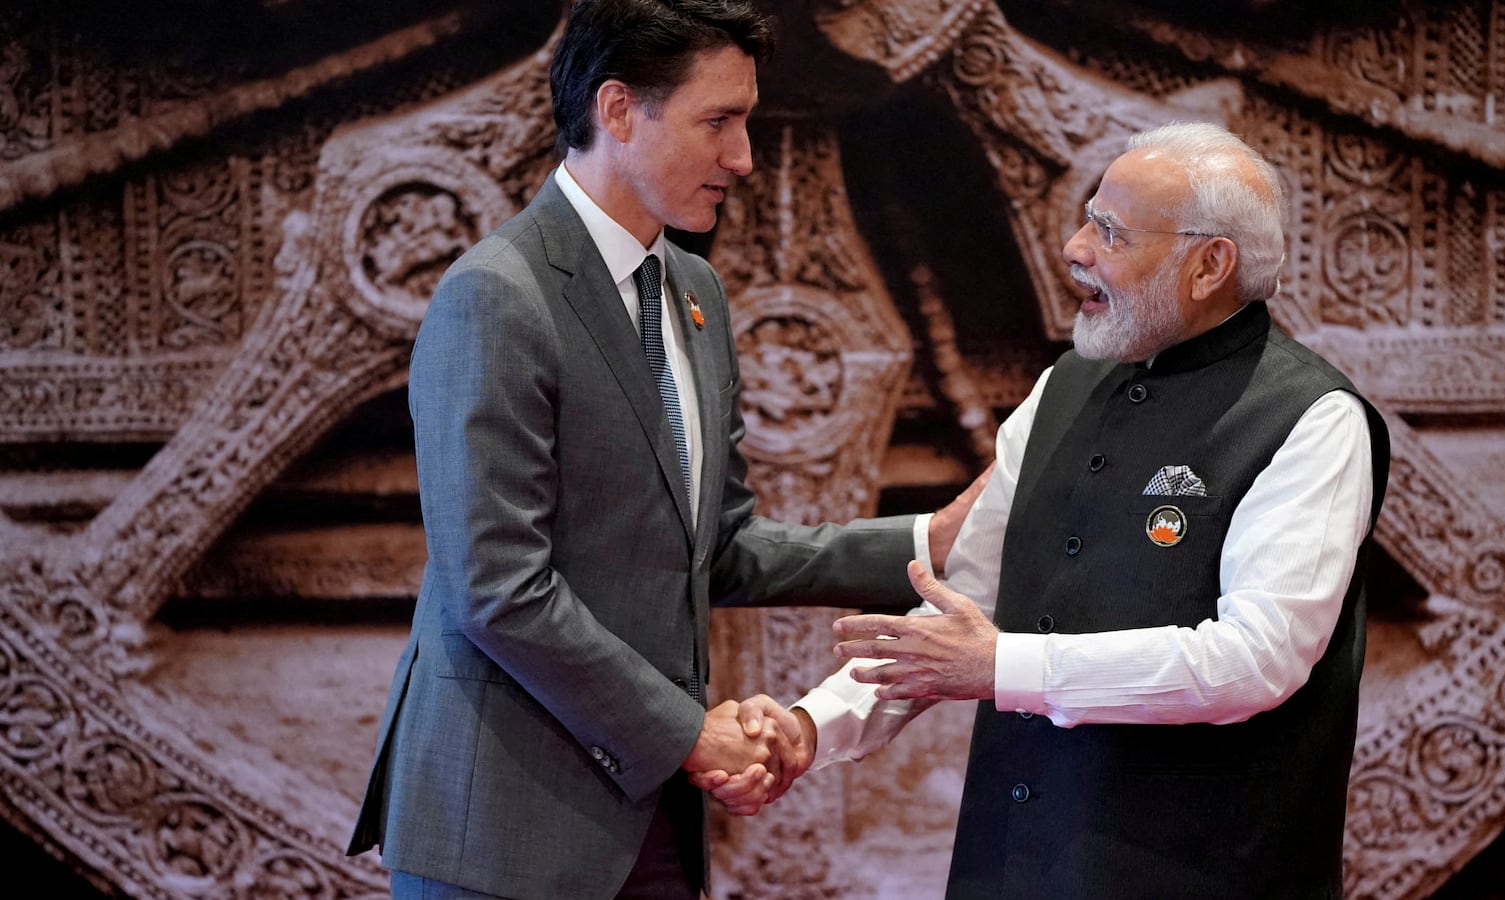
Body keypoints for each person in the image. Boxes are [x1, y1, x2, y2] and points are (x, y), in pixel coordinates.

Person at [344, 2, 976, 897]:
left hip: (654, 823)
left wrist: (925, 544)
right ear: (616, 110)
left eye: (745, 121)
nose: (743, 157)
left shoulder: (695, 291)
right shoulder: (496, 295)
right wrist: (689, 733)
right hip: (504, 834)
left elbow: (716, 543)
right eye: (717, 121)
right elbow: (497, 587)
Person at [708, 121, 1393, 899]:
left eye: (1111, 232)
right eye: (1086, 217)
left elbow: (1255, 659)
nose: (1074, 248)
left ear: (1210, 265)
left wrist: (1003, 667)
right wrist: (808, 730)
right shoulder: (1060, 387)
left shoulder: (1312, 419)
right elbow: (959, 615)